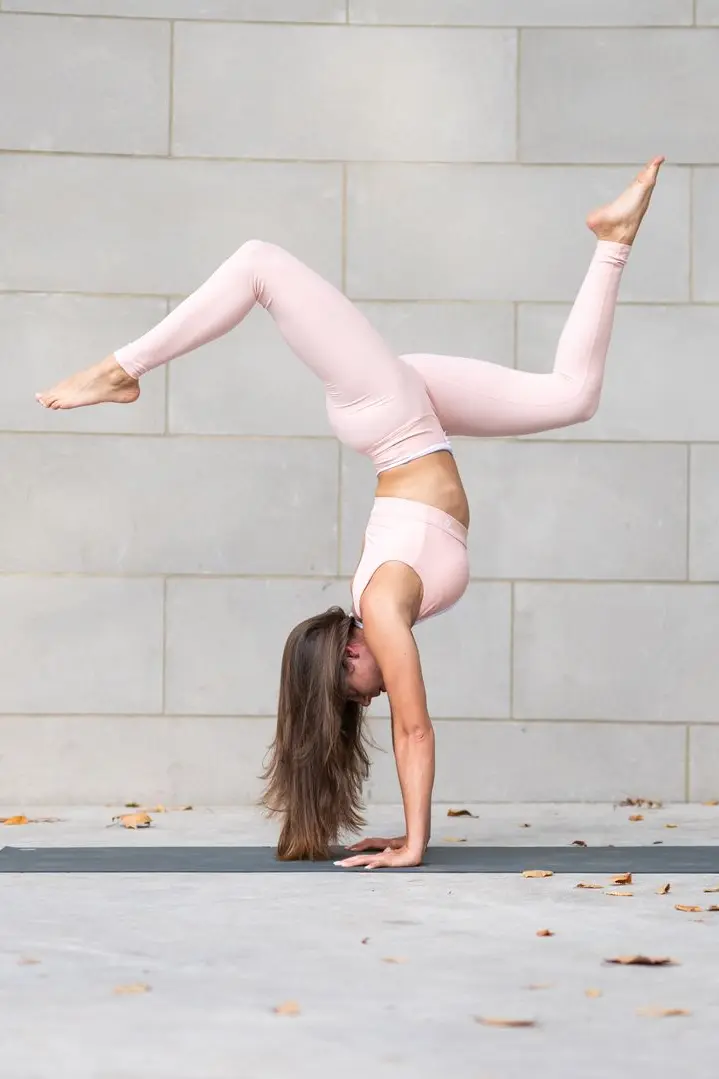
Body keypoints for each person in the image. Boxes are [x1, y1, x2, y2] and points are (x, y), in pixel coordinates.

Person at [37, 156, 664, 869]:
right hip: (412, 409)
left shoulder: (381, 609)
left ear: (349, 659)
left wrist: (415, 843)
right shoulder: (384, 609)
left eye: (351, 697)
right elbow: (407, 724)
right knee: (570, 396)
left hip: (389, 414)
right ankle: (612, 237)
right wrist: (401, 834)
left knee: (259, 264)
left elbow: (414, 730)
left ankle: (122, 369)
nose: (368, 699)